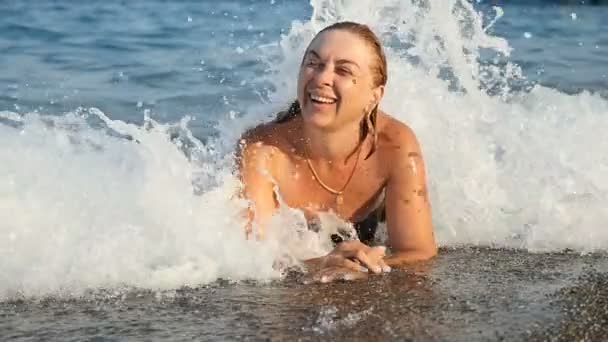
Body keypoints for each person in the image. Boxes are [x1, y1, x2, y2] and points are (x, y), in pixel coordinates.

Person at [236, 21, 436, 283]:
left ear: (374, 96)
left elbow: (418, 251)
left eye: (343, 70)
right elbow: (253, 259)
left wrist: (364, 265)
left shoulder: (395, 146)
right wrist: (323, 264)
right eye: (314, 64)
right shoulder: (263, 151)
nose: (321, 78)